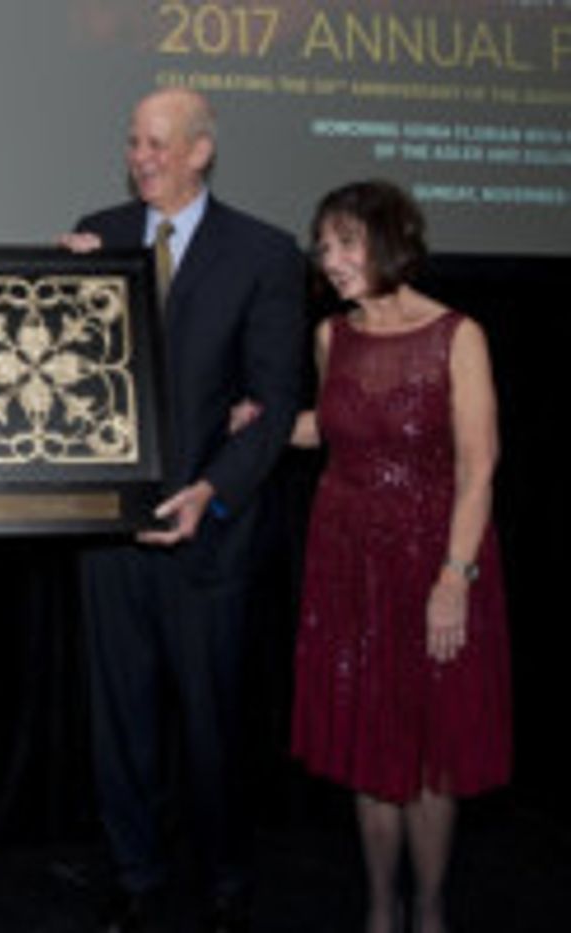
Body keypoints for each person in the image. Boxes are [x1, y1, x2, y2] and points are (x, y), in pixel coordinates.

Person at [61, 88, 306, 933]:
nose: (141, 157)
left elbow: (274, 401)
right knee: (120, 718)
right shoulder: (101, 230)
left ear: (201, 151)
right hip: (111, 529)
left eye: (158, 143)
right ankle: (135, 872)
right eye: (132, 142)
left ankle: (227, 875)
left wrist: (215, 489)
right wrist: (59, 287)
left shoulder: (264, 252)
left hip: (212, 531)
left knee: (214, 721)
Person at [289, 180, 510, 933]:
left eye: (346, 242)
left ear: (389, 242)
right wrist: (263, 425)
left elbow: (479, 466)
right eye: (324, 246)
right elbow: (338, 423)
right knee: (368, 743)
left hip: (436, 562)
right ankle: (381, 909)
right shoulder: (331, 336)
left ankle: (431, 909)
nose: (332, 259)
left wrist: (456, 576)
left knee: (428, 751)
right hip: (348, 562)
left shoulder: (458, 334)